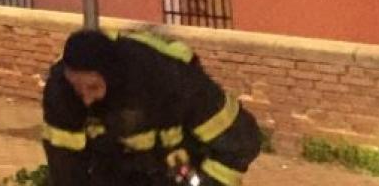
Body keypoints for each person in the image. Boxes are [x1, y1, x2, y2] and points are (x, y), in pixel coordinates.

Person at [41, 28, 262, 185]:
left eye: (93, 87)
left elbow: (241, 143)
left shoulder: (174, 81)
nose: (86, 99)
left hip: (180, 168)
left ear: (112, 76)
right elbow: (66, 168)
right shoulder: (62, 93)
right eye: (78, 89)